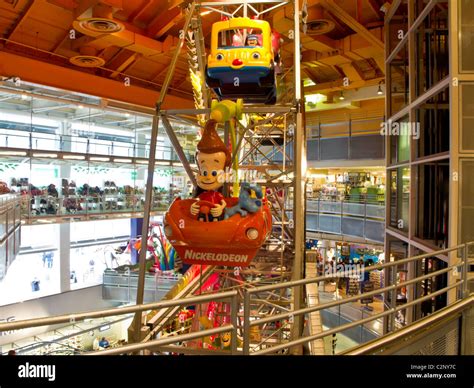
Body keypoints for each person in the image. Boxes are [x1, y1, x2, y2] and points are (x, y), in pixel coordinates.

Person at [190, 119, 232, 222]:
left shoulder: (219, 195)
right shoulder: (201, 195)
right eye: (204, 172)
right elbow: (195, 202)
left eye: (214, 173)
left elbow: (224, 204)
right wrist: (192, 207)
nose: (208, 177)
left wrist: (221, 208)